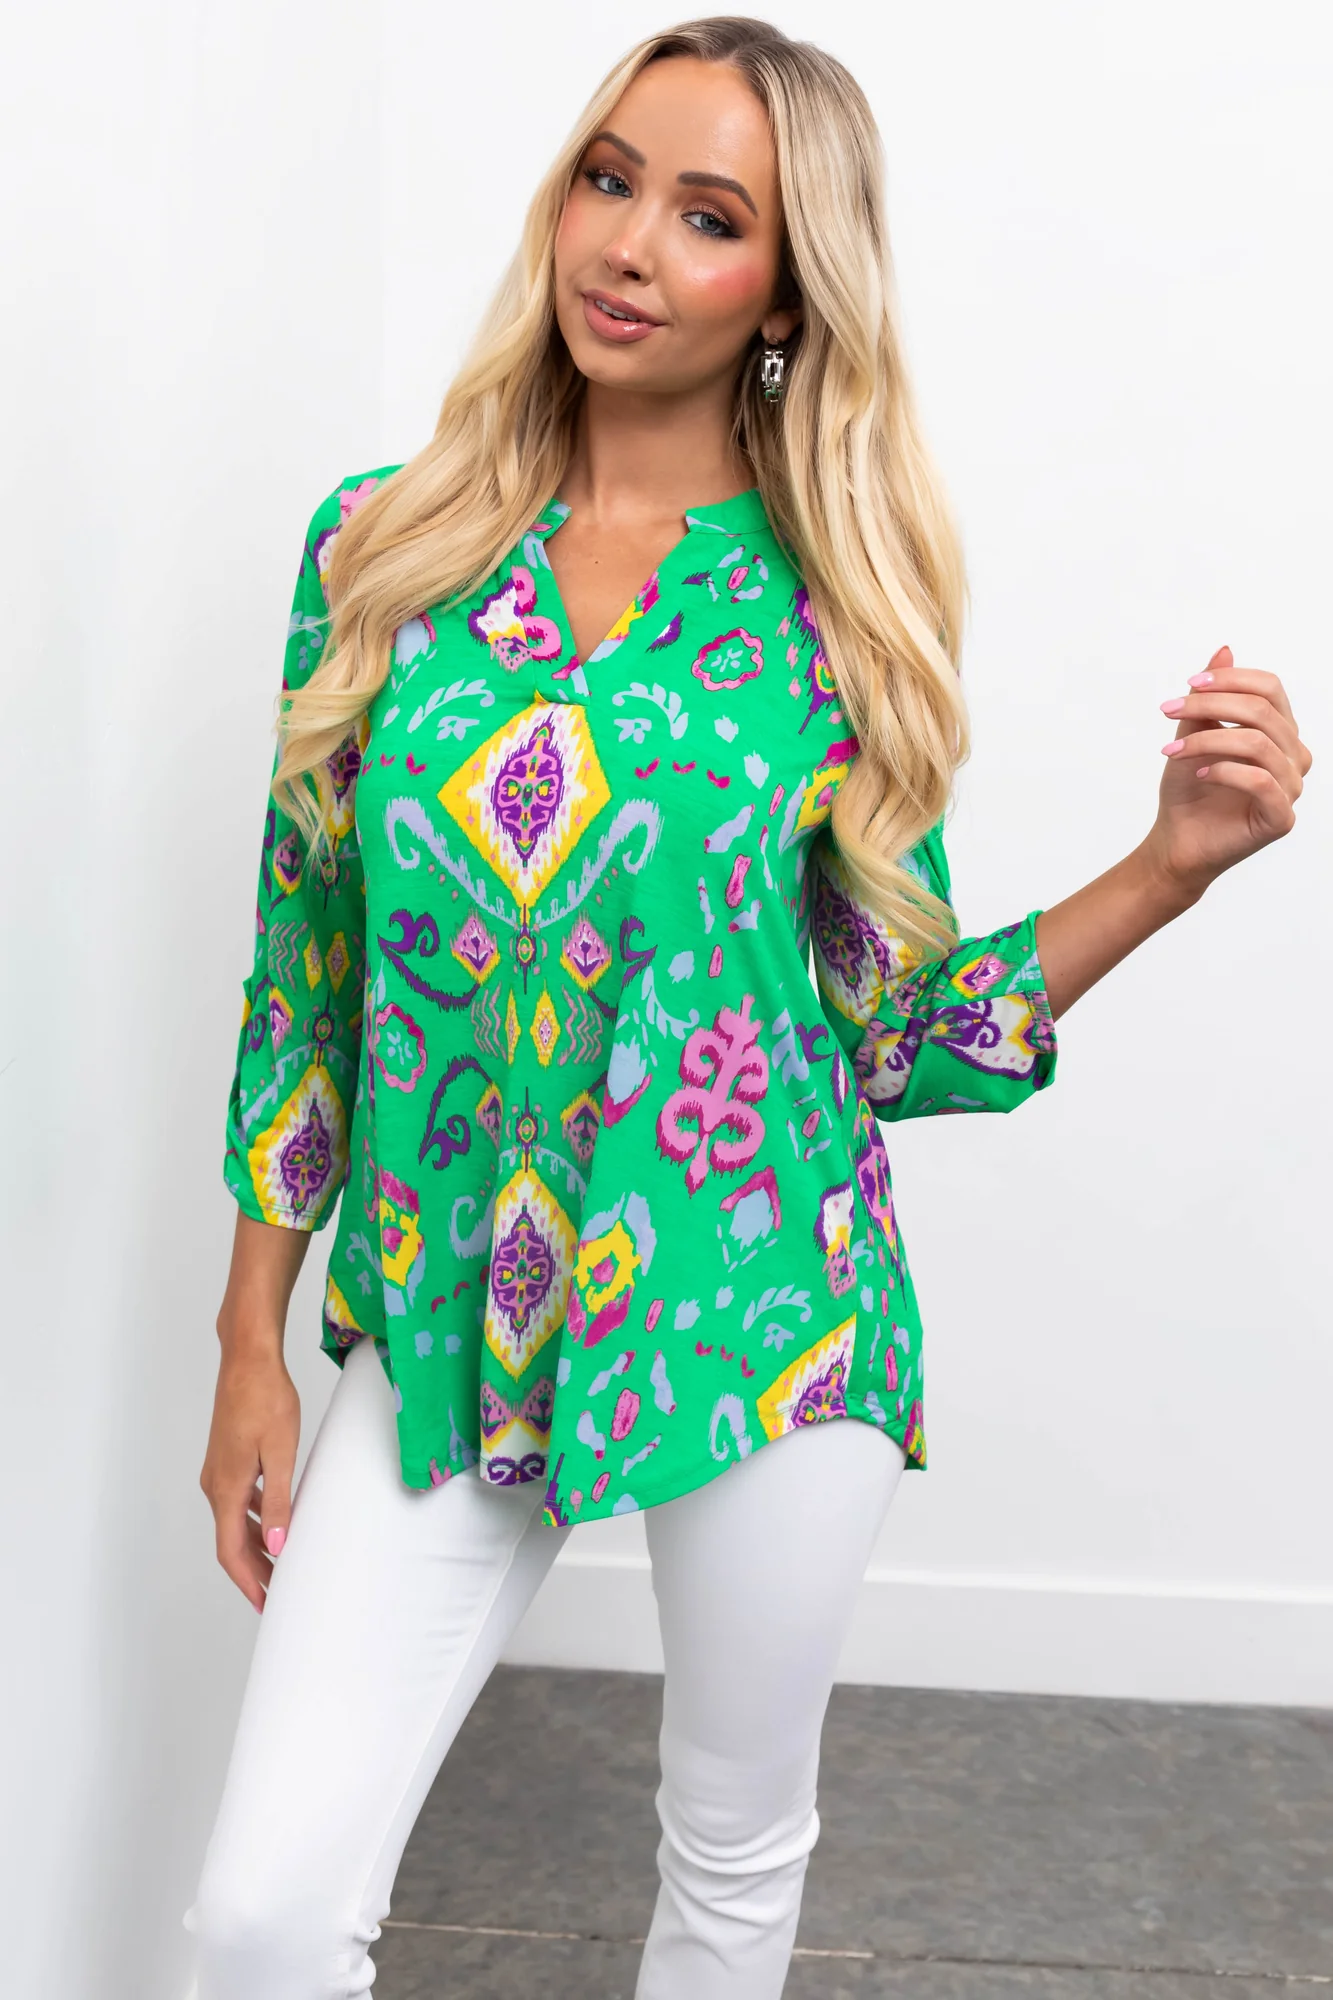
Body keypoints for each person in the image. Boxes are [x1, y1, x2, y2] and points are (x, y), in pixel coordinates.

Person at [186, 17, 1310, 1999]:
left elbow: (894, 1033)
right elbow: (309, 977)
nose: (629, 244)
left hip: (771, 1312)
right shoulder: (382, 545)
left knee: (727, 1864)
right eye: (609, 179)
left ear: (788, 294)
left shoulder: (835, 608)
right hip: (445, 1309)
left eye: (709, 217)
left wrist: (1169, 864)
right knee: (261, 1918)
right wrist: (248, 1340)